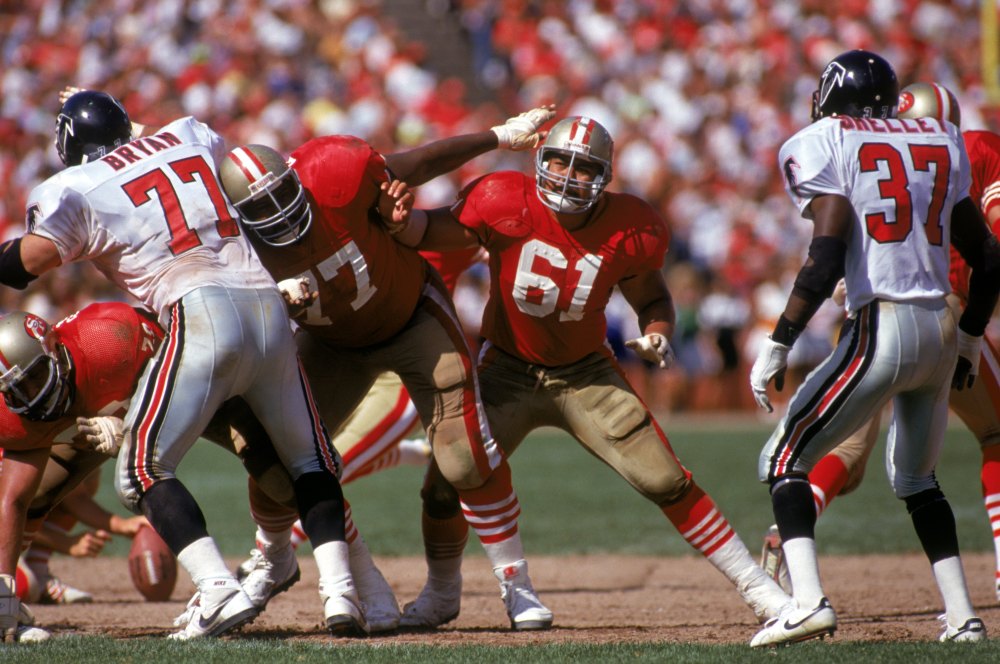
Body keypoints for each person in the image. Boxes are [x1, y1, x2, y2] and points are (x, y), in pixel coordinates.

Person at [382, 114, 795, 628]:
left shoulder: (633, 224)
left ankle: (761, 593)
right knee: (445, 481)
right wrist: (403, 223)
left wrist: (659, 328)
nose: (567, 174)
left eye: (583, 168)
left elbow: (650, 293)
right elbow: (434, 229)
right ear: (540, 160)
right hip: (506, 368)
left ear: (604, 176)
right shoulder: (501, 196)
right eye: (559, 160)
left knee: (665, 478)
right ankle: (442, 594)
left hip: (585, 374)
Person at [4, 90, 362, 640]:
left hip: (198, 309)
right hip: (267, 303)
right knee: (310, 463)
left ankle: (216, 588)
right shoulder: (189, 133)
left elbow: (29, 262)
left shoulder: (71, 188)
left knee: (142, 468)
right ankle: (342, 596)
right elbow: (174, 152)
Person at [214, 105, 558, 631]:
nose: (281, 216)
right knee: (274, 459)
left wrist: (495, 136)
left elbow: (417, 162)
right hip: (332, 344)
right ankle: (274, 558)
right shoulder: (231, 244)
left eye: (285, 198)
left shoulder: (335, 170)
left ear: (295, 177)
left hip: (410, 318)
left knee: (464, 458)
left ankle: (517, 586)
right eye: (263, 210)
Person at [748, 51, 1000, 646]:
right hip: (941, 323)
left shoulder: (822, 139)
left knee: (782, 460)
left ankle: (806, 601)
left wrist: (779, 340)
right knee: (917, 480)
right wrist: (969, 337)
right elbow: (987, 256)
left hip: (880, 323)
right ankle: (963, 617)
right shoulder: (942, 138)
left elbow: (826, 256)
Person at [0, 303, 161, 642]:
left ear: (53, 352)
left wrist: (133, 424)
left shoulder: (107, 338)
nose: (30, 399)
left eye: (34, 380)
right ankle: (26, 582)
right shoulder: (10, 419)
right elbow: (11, 501)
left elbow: (179, 362)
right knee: (36, 500)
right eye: (17, 391)